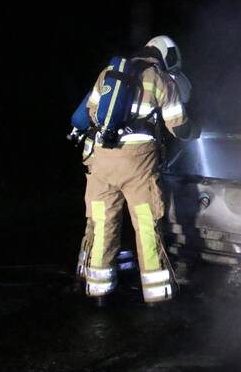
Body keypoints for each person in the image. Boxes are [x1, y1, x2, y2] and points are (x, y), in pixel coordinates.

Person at [74, 35, 199, 305]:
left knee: (102, 222)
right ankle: (156, 294)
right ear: (166, 56)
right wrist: (195, 131)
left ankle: (98, 291)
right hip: (138, 164)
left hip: (101, 159)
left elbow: (89, 112)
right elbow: (178, 125)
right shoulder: (161, 80)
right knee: (145, 224)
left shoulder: (109, 73)